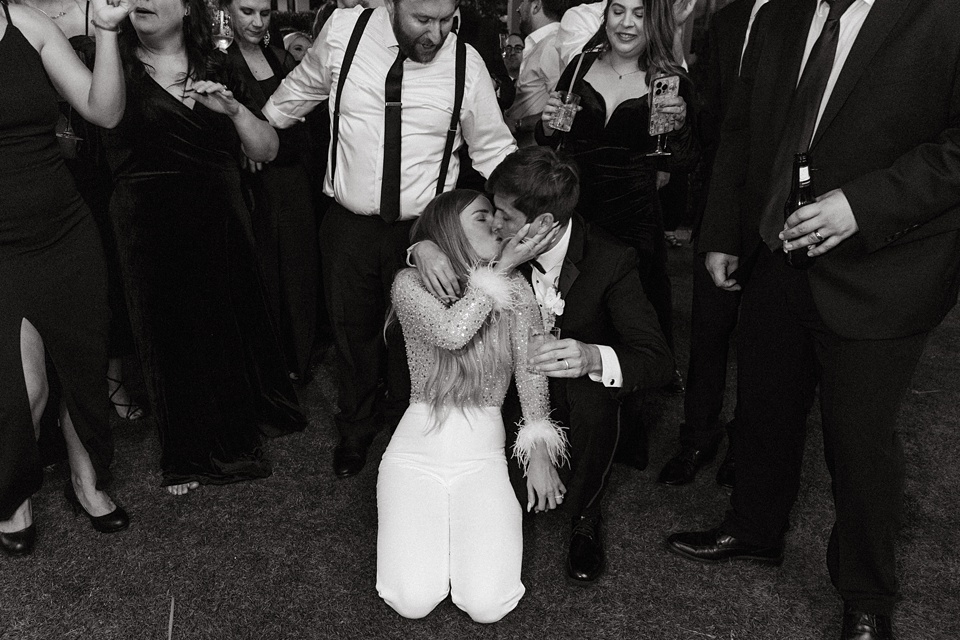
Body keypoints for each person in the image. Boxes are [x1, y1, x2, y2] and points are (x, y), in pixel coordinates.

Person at [666, 1, 960, 638]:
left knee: (859, 441)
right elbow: (742, 132)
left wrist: (863, 205)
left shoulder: (942, 16)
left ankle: (866, 597)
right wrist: (723, 232)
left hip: (883, 270)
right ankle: (754, 528)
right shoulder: (779, 16)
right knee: (765, 406)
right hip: (776, 253)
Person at [262, 0, 516, 479]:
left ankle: (409, 431)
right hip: (348, 224)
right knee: (351, 332)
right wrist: (255, 129)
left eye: (446, 20)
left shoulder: (467, 64)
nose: (436, 34)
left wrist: (526, 205)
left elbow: (494, 148)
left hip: (426, 230)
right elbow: (297, 91)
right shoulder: (344, 32)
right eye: (423, 20)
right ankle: (355, 428)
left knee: (413, 342)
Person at [412, 147, 673, 584]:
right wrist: (420, 246)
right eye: (492, 211)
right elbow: (448, 224)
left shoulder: (611, 259)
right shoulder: (493, 242)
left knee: (594, 398)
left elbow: (658, 360)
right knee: (501, 503)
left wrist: (592, 356)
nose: (494, 225)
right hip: (503, 387)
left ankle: (586, 517)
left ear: (545, 222)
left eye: (505, 216)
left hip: (576, 391)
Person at [104, 0, 306, 496]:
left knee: (226, 319)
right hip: (149, 220)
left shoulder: (219, 66)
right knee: (169, 333)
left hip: (220, 213)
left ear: (185, 8)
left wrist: (235, 111)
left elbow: (266, 149)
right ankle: (189, 450)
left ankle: (237, 423)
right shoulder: (117, 67)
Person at [379, 189, 565, 623]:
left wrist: (540, 453)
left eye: (496, 217)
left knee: (488, 605)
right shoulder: (409, 283)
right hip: (414, 457)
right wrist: (498, 271)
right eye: (482, 218)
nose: (497, 226)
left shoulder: (516, 288)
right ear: (449, 229)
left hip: (483, 460)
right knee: (411, 600)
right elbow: (451, 333)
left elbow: (531, 371)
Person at [538, 0, 699, 460]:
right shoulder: (578, 67)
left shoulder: (671, 80)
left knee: (631, 324)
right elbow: (553, 141)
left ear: (655, 20)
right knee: (571, 311)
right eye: (618, 11)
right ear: (604, 16)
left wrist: (680, 127)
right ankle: (563, 418)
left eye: (640, 13)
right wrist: (546, 124)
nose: (627, 23)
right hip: (578, 214)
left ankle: (626, 433)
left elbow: (687, 161)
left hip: (634, 221)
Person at [0, 0, 131, 558]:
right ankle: (13, 494)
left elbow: (104, 111)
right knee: (24, 389)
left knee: (82, 367)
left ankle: (86, 480)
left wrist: (106, 32)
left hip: (63, 230)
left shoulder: (27, 24)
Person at [657, 0, 767, 488]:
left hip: (780, 205)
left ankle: (749, 442)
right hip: (721, 202)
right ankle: (698, 436)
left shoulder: (811, 17)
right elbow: (710, 119)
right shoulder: (727, 20)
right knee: (707, 330)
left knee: (765, 341)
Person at [19, 0, 143, 422]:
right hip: (34, 168)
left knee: (102, 277)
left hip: (91, 163)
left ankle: (111, 383)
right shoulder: (21, 13)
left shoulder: (89, 7)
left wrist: (106, 31)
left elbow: (113, 100)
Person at [223, 0, 320, 385]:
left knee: (299, 269)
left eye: (264, 13)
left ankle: (301, 359)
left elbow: (301, 123)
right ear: (228, 11)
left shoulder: (280, 57)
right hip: (254, 187)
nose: (257, 22)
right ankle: (270, 366)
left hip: (293, 178)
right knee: (263, 273)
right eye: (247, 12)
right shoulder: (219, 63)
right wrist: (243, 145)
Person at [503, 0, 563, 147]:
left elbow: (562, 108)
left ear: (536, 6)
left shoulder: (551, 44)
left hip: (533, 150)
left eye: (523, 1)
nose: (518, 8)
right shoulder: (541, 43)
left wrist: (518, 124)